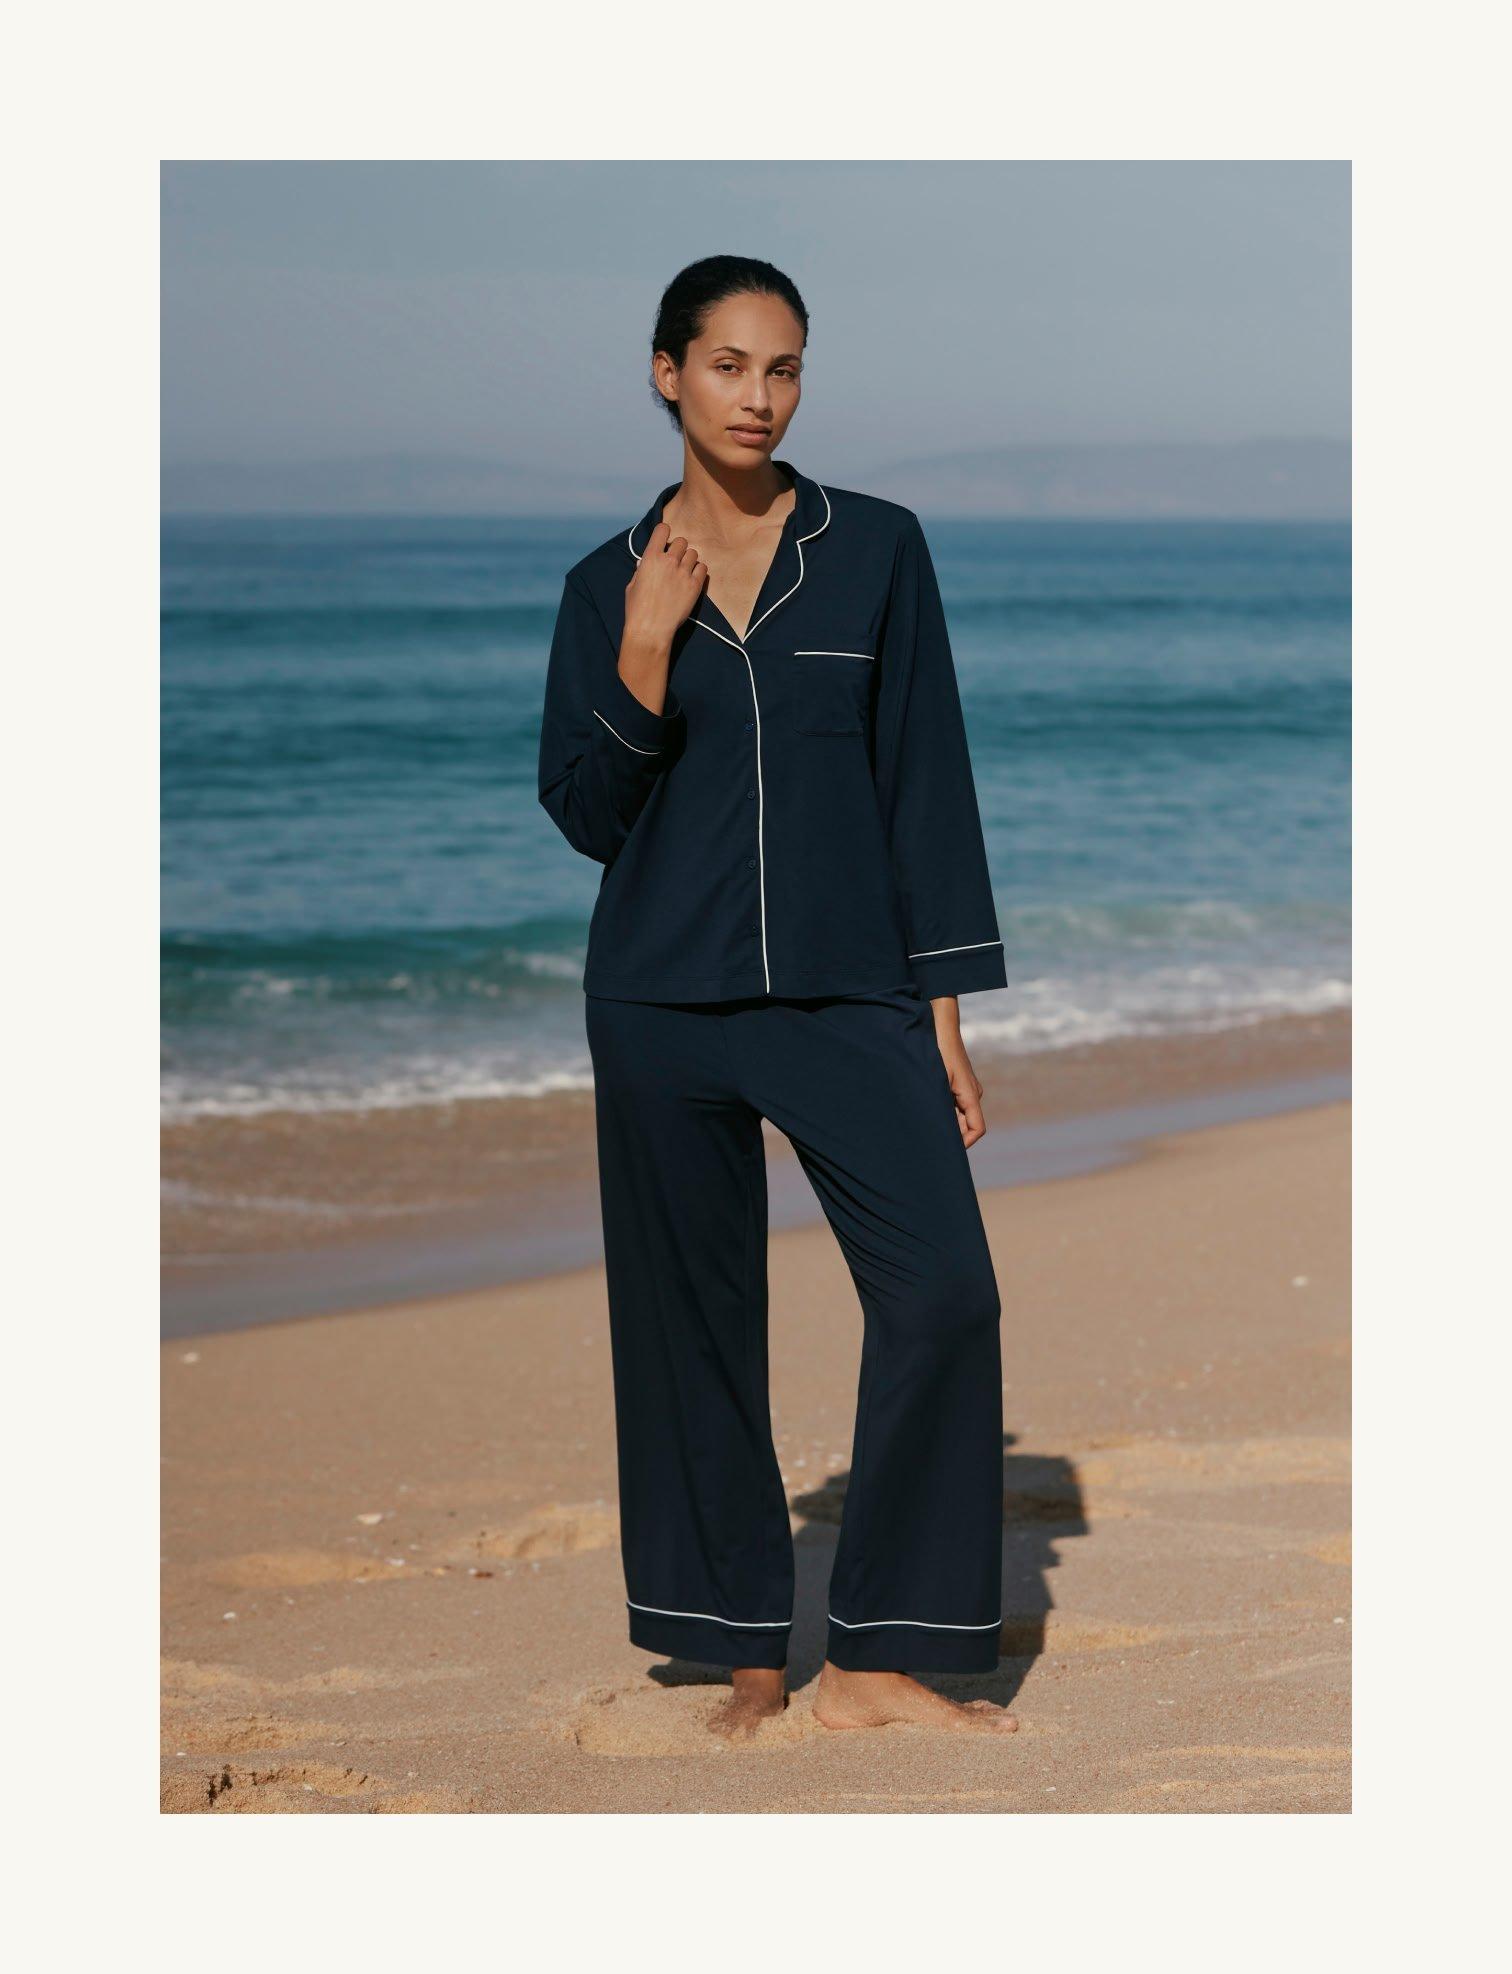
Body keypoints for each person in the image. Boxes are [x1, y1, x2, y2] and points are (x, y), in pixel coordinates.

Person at [537, 255, 1017, 1737]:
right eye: (732, 363)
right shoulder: (602, 582)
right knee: (691, 1332)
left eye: (786, 366)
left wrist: (941, 1007)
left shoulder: (876, 548)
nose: (761, 394)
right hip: (661, 1003)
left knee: (943, 1289)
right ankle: (745, 1650)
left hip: (846, 993)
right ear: (667, 373)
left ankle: (878, 1654)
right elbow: (584, 810)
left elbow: (923, 784)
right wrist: (640, 647)